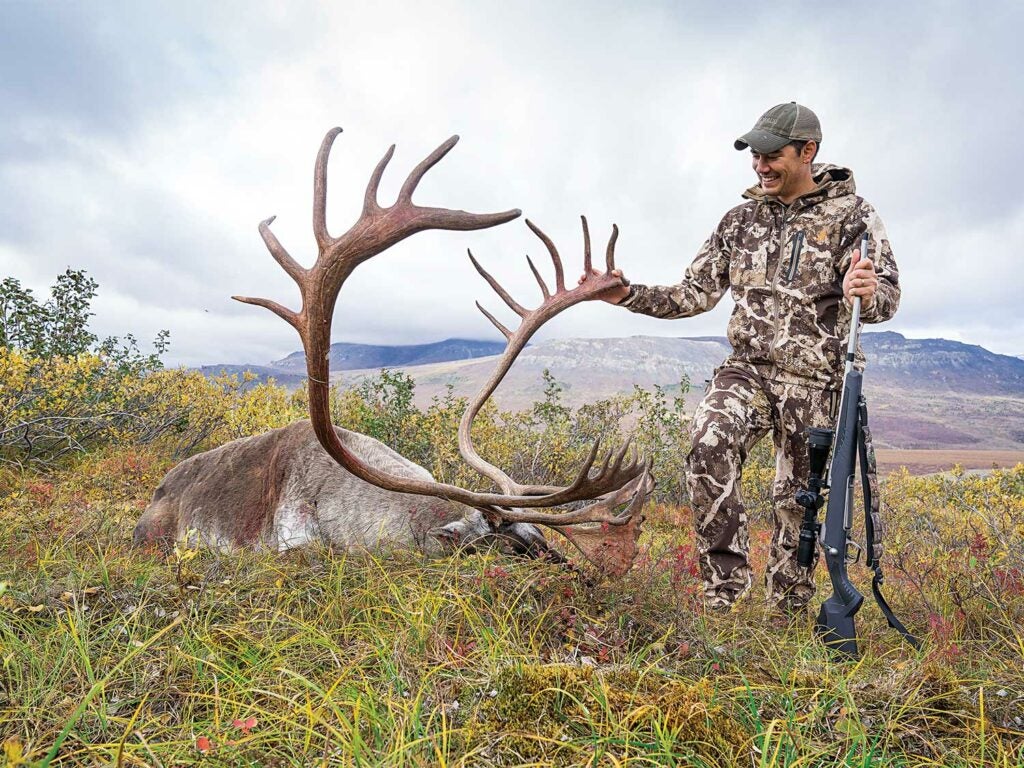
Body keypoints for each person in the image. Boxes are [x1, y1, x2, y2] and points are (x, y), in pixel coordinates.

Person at [581, 102, 899, 613]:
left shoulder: (854, 219)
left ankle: (788, 605)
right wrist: (627, 294)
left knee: (800, 501)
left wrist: (868, 291)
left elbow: (885, 300)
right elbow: (694, 294)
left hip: (817, 382)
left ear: (808, 152)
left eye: (772, 155)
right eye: (755, 155)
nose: (760, 165)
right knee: (708, 446)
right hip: (746, 370)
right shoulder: (739, 221)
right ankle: (723, 592)